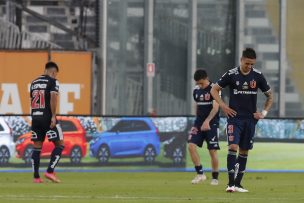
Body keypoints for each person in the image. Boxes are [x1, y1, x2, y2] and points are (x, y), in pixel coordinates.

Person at [211, 48, 273, 192]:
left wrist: (263, 113)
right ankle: (230, 183)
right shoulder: (231, 74)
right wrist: (223, 106)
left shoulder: (258, 76)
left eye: (252, 64)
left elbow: (270, 96)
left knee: (244, 151)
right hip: (234, 118)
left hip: (250, 120)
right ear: (241, 60)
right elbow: (214, 89)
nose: (249, 67)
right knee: (233, 147)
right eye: (247, 63)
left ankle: (238, 184)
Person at [30, 61, 64, 183]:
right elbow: (54, 97)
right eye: (55, 74)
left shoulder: (33, 83)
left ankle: (36, 177)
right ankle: (50, 172)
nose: (55, 76)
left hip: (35, 117)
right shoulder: (53, 81)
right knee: (60, 144)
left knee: (37, 147)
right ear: (53, 72)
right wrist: (53, 116)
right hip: (47, 117)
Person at [188, 69, 220, 185]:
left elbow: (215, 108)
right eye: (197, 83)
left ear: (207, 78)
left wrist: (207, 121)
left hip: (212, 123)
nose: (199, 86)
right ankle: (200, 174)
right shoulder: (196, 90)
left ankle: (215, 177)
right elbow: (198, 107)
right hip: (199, 123)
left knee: (212, 151)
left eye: (201, 83)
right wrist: (198, 122)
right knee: (191, 146)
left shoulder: (215, 89)